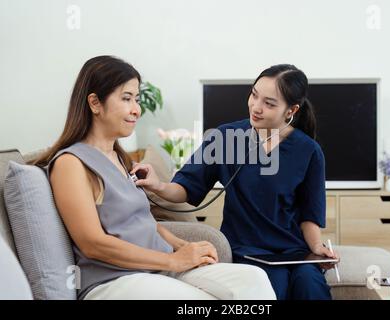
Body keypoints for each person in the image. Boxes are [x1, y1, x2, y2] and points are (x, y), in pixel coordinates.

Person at [33, 55, 276, 300]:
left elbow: (144, 223)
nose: (136, 109)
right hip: (114, 281)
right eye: (127, 99)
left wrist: (181, 246)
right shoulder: (71, 163)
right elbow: (92, 243)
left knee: (254, 280)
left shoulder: (120, 159)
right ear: (95, 103)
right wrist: (173, 259)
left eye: (136, 99)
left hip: (156, 271)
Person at [134, 64, 339, 300]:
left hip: (294, 250)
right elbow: (186, 188)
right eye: (254, 95)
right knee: (276, 286)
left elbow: (309, 216)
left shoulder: (309, 151)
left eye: (269, 103)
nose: (256, 107)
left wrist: (317, 248)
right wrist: (157, 185)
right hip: (248, 251)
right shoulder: (224, 138)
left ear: (291, 110)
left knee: (310, 285)